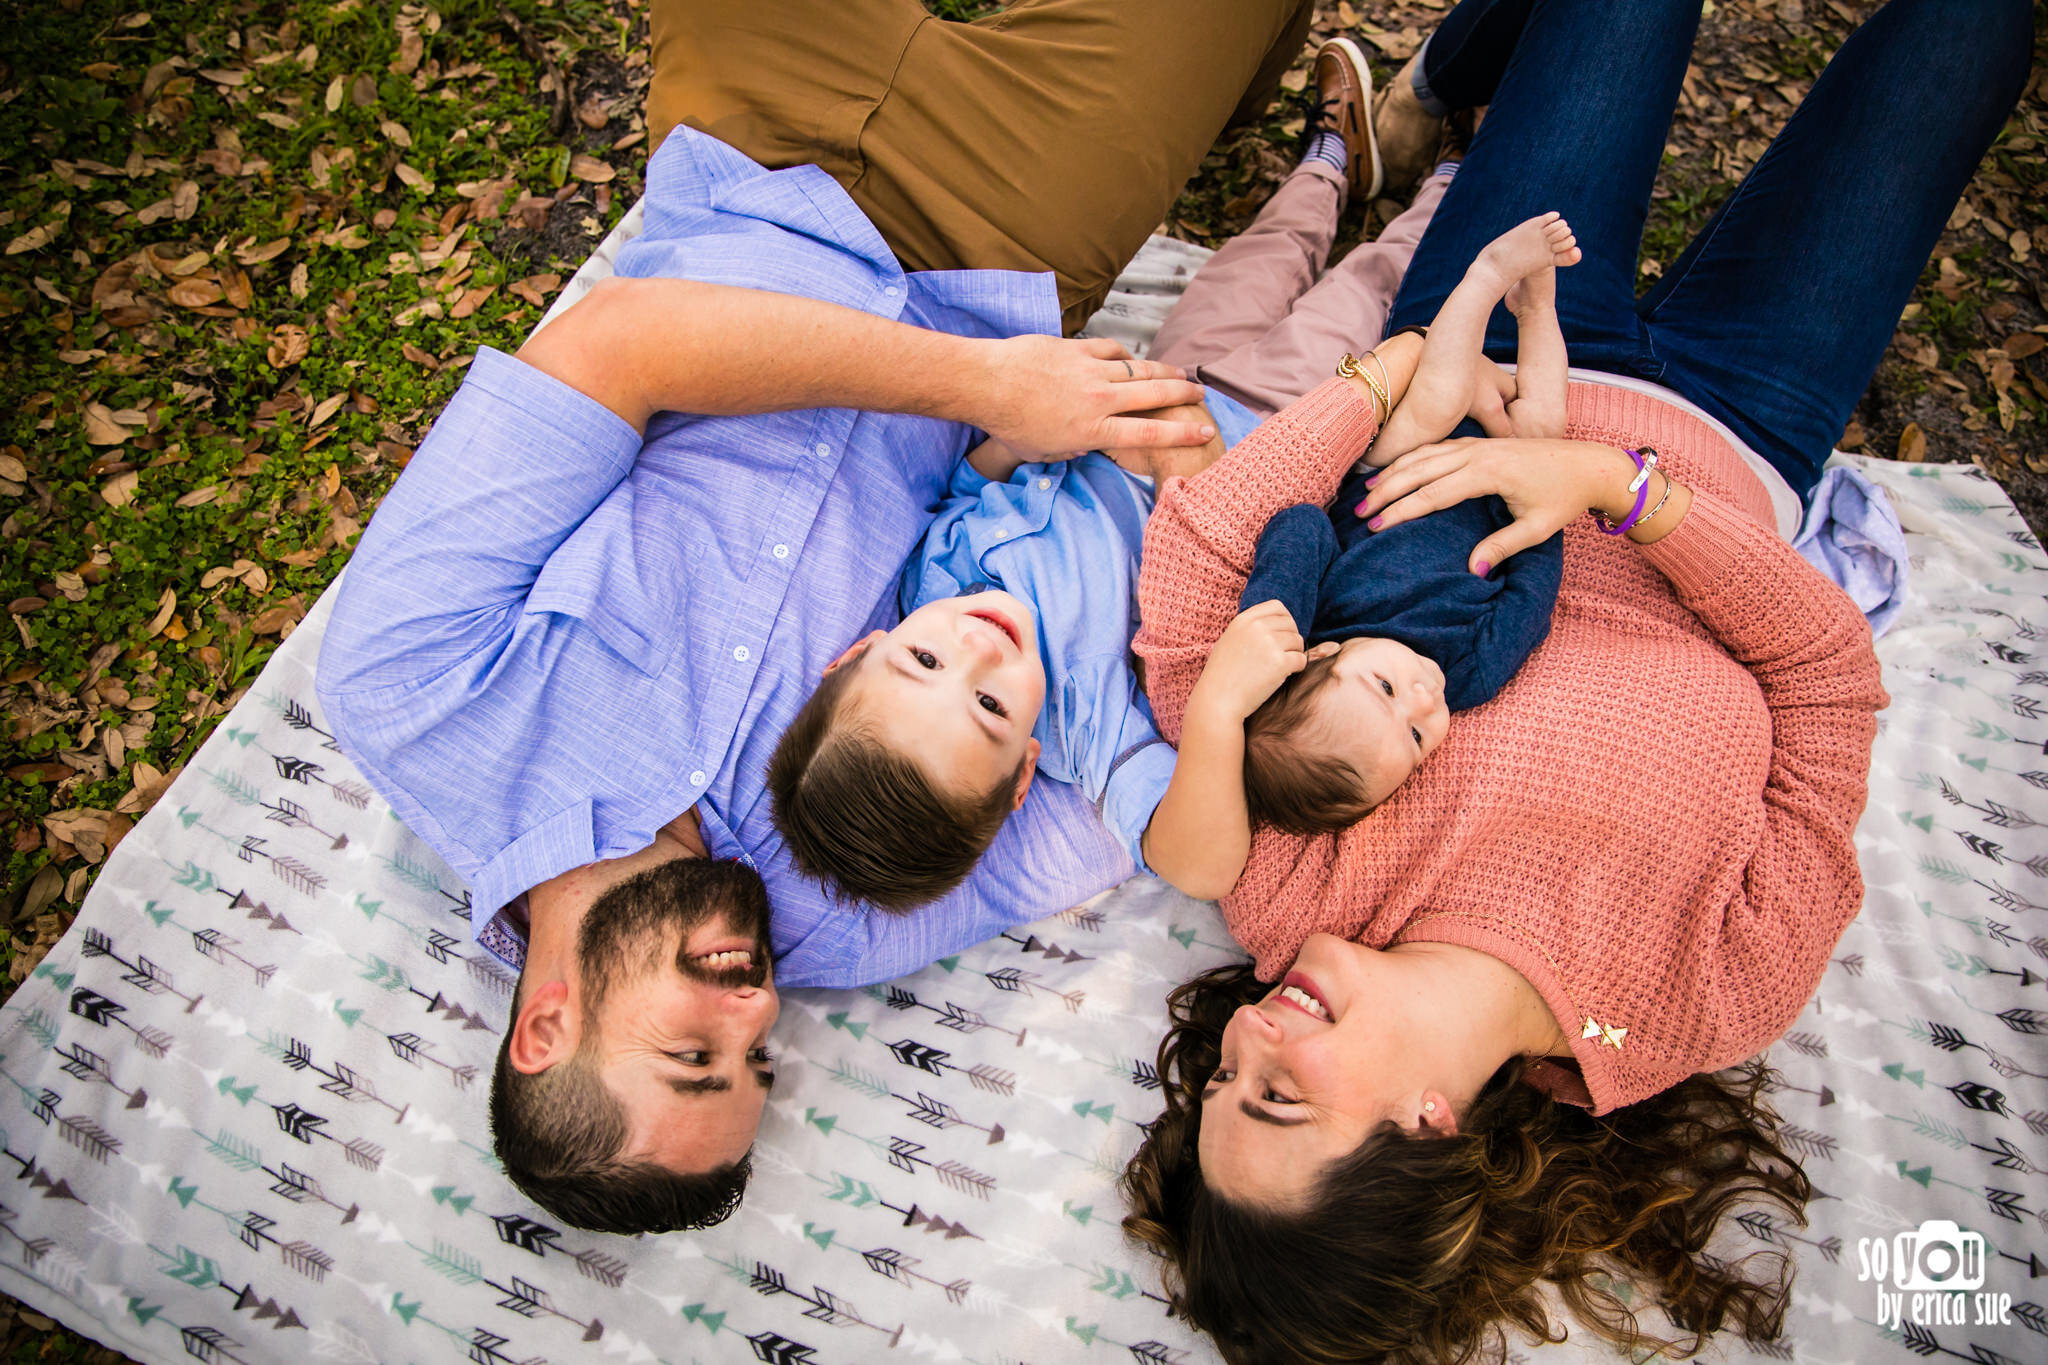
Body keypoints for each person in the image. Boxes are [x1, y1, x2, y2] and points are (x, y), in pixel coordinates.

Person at [1118, 1, 2030, 1361]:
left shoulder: (1281, 871)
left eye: (1222, 1084)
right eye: (1280, 1097)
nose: (1249, 1037)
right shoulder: (1700, 996)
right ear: (1426, 1129)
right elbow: (1829, 680)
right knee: (1967, 36)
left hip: (1484, 344)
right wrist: (1619, 490)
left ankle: (1430, 91)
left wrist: (1391, 380)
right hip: (1749, 420)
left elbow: (1197, 555)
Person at [316, 0, 1317, 1234]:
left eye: (696, 1057)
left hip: (757, 165)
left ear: (546, 1024)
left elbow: (617, 348)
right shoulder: (850, 911)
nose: (754, 1018)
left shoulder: (408, 697)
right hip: (992, 238)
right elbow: (1112, 803)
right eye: (759, 1067)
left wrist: (986, 390)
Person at [763, 38, 1454, 912]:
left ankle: (1332, 160)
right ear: (1022, 774)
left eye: (923, 660)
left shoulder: (925, 585)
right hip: (1277, 428)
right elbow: (1196, 866)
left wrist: (1023, 436)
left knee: (1265, 254)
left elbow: (972, 491)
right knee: (1372, 285)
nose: (976, 648)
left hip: (1174, 373)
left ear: (858, 653)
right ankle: (1453, 174)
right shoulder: (1083, 720)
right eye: (987, 705)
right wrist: (1214, 717)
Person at [1163, 212, 1578, 884]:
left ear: (1323, 655)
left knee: (1439, 394)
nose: (1420, 697)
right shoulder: (1472, 673)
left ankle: (1490, 271)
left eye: (1384, 687)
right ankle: (1539, 307)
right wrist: (1537, 504)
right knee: (1546, 422)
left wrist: (1277, 616)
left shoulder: (1322, 617)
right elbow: (1533, 596)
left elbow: (1302, 523)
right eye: (1417, 738)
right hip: (1503, 484)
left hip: (1400, 460)